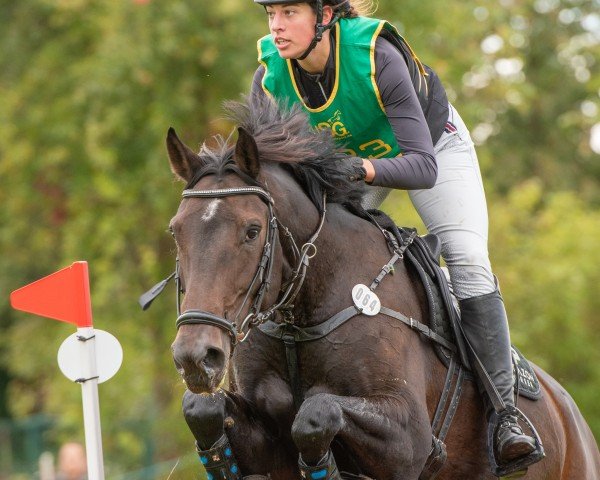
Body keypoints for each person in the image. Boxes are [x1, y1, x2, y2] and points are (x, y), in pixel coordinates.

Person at [249, 0, 543, 475]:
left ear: (325, 15)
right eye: (271, 15)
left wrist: (362, 168)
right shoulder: (270, 75)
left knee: (466, 258)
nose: (277, 27)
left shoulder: (376, 55)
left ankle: (505, 414)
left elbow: (422, 166)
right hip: (352, 162)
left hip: (430, 148)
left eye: (289, 13)